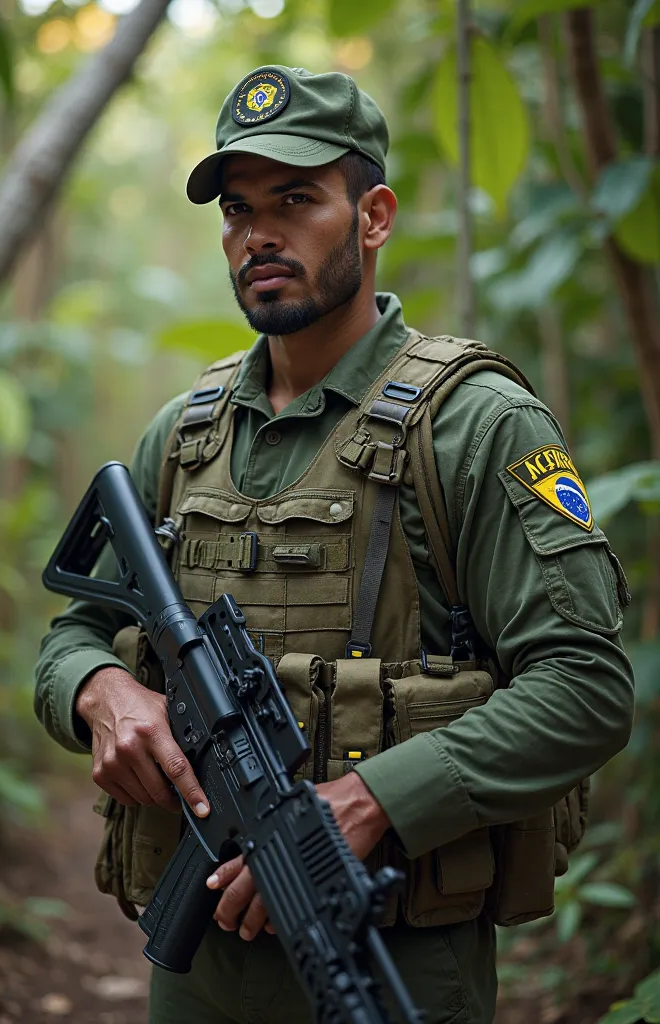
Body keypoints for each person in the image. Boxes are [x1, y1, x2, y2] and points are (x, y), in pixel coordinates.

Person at [34, 65, 635, 1024]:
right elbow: (74, 633)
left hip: (390, 951)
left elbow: (585, 687)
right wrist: (98, 692)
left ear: (374, 216)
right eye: (237, 210)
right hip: (193, 968)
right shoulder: (181, 436)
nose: (257, 235)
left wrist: (371, 802)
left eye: (297, 199)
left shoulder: (476, 426)